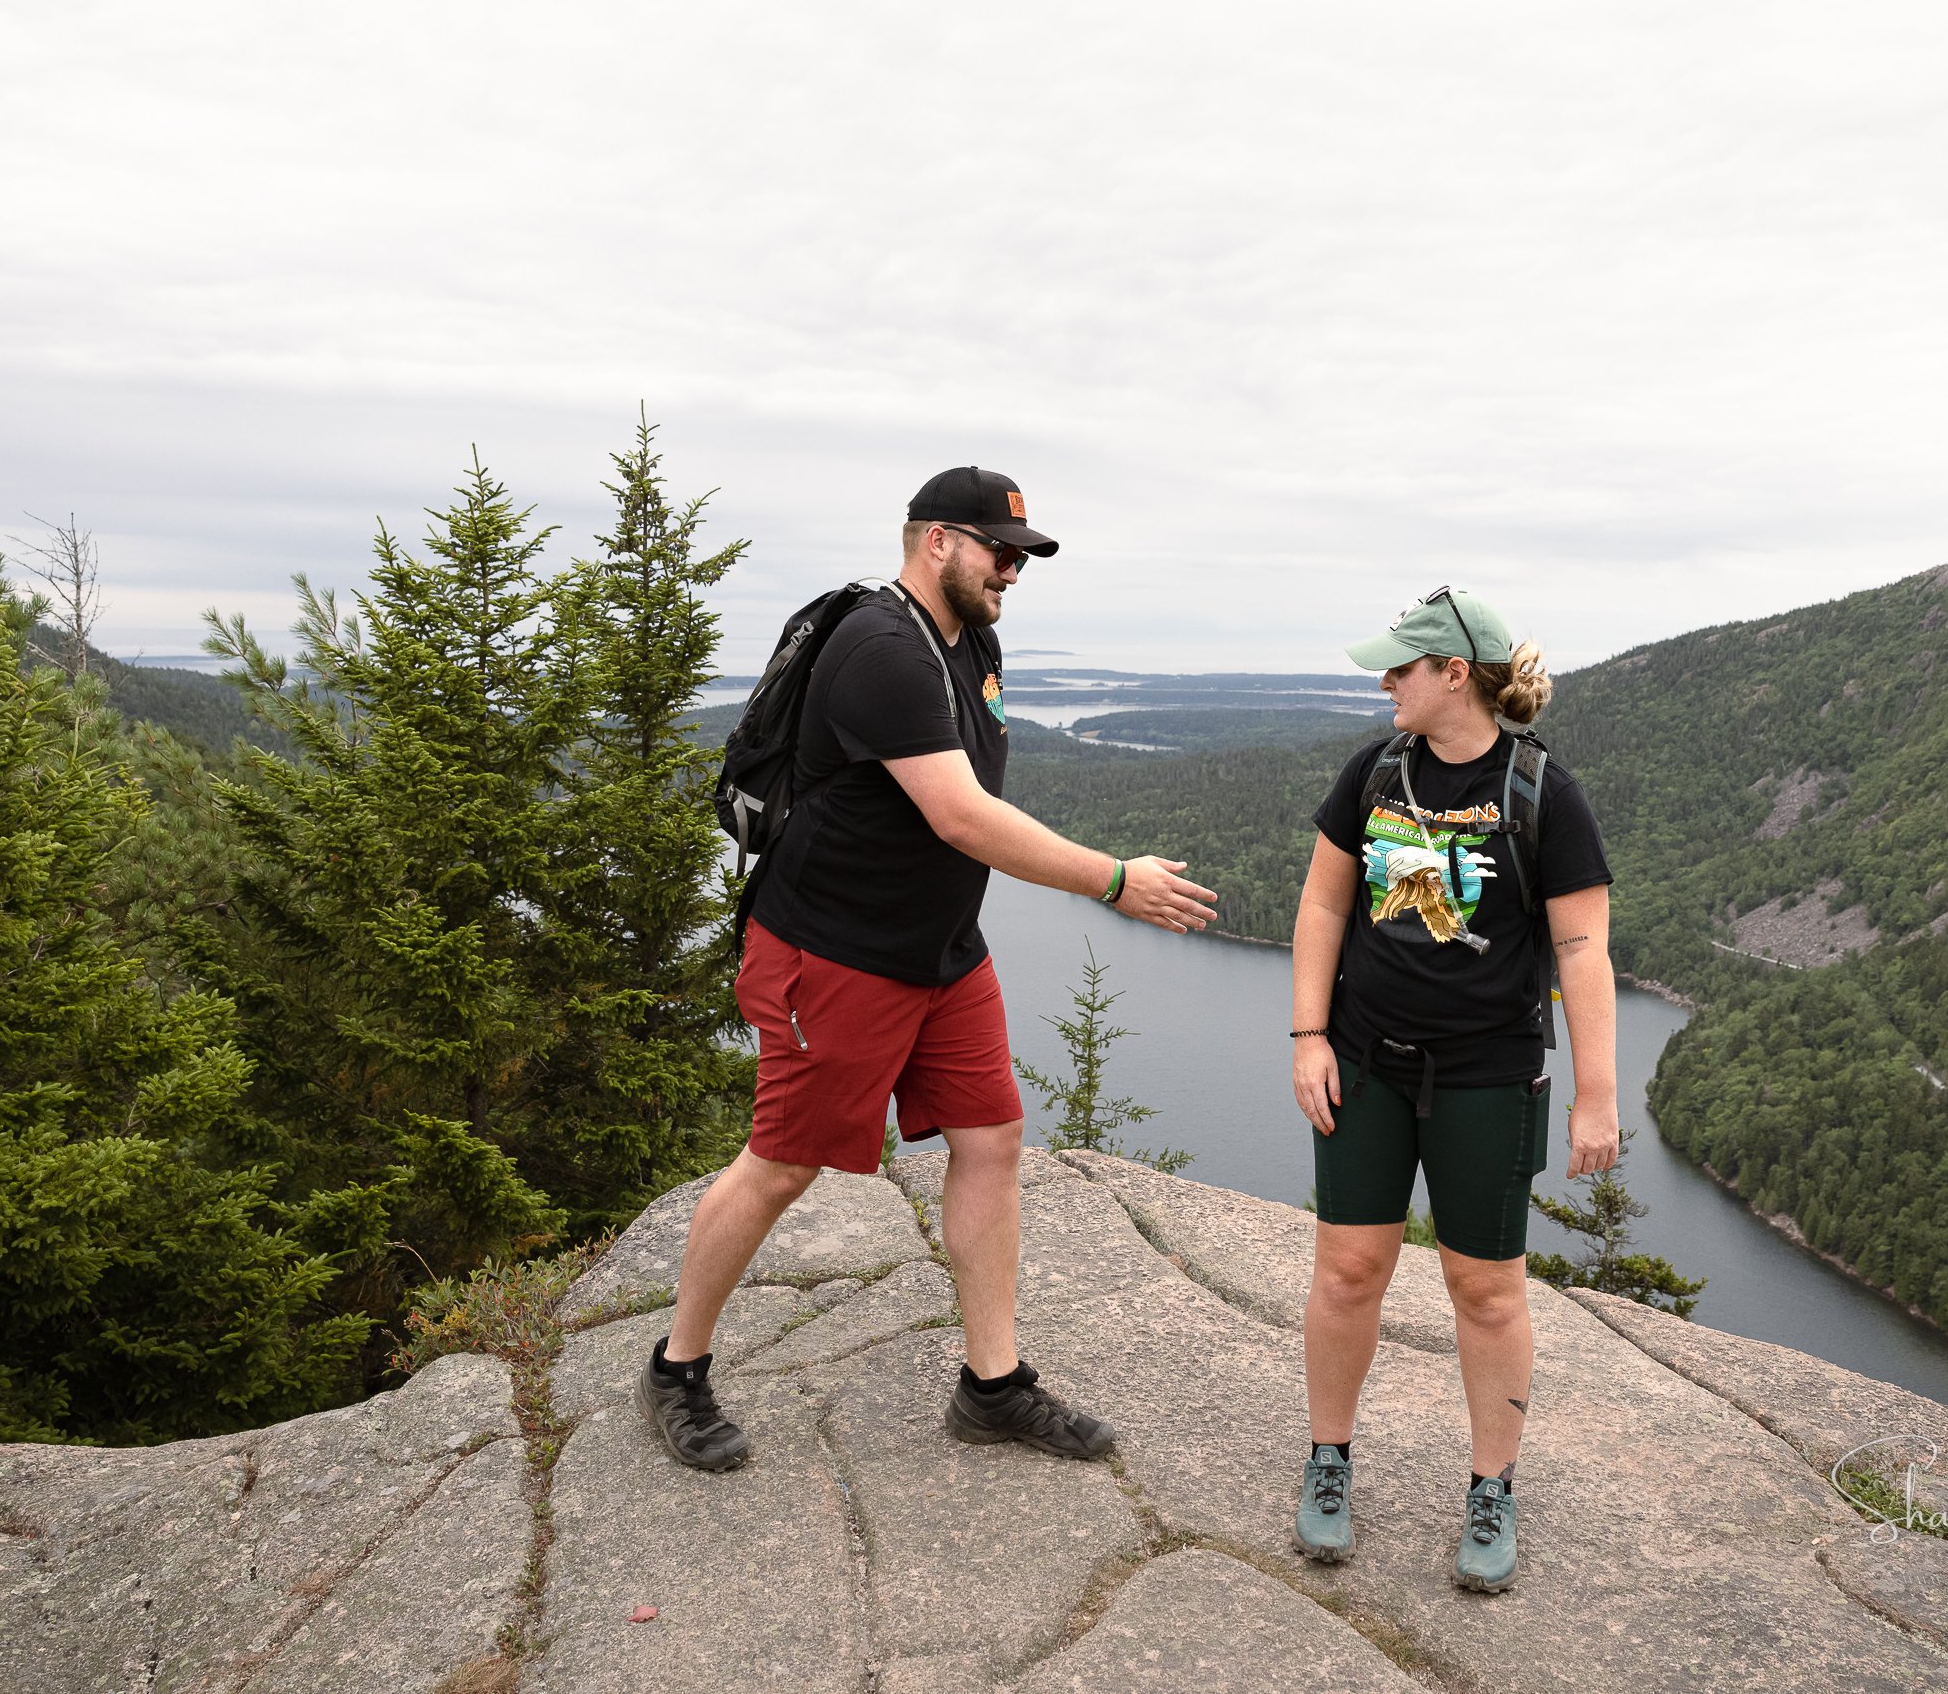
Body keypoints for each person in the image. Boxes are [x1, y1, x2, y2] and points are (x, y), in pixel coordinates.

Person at [639, 465, 1219, 1472]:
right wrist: (1110, 878)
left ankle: (991, 1387)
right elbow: (958, 812)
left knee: (991, 1139)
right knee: (783, 1162)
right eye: (1000, 552)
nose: (1013, 572)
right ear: (936, 541)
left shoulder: (973, 640)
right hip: (834, 953)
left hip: (940, 952)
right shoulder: (879, 650)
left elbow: (964, 796)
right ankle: (674, 1368)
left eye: (1022, 556)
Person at [1286, 587, 1619, 1592]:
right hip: (1365, 1060)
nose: (1384, 681)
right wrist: (1308, 1034)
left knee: (1484, 1288)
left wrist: (1595, 1094)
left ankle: (1491, 1487)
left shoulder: (1541, 792)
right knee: (1349, 1271)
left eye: (1401, 667)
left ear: (1453, 675)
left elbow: (1582, 945)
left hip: (1486, 1073)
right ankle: (1328, 1459)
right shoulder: (1374, 772)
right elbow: (1320, 901)